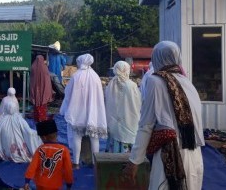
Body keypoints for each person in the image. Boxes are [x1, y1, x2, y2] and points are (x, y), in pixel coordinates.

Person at [122, 41, 204, 190]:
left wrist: (134, 161)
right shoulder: (188, 83)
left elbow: (146, 125)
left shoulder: (155, 81)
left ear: (156, 58)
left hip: (171, 155)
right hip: (195, 156)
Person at [59, 53, 107, 169]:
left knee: (77, 137)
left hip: (78, 111)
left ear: (81, 62)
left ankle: (75, 163)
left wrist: (64, 109)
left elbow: (68, 93)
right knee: (94, 137)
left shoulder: (76, 76)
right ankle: (96, 163)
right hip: (93, 111)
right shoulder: (95, 76)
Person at [24, 119, 73, 190]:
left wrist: (27, 181)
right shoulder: (64, 150)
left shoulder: (40, 149)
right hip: (55, 185)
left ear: (44, 137)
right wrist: (69, 183)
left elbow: (32, 166)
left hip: (40, 183)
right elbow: (68, 169)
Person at [105, 61, 142, 153]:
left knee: (115, 140)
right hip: (128, 121)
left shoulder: (110, 84)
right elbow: (138, 104)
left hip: (113, 123)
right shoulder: (131, 85)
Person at [0, 98, 42, 163]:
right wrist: (38, 134)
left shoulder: (1, 121)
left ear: (5, 108)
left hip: (7, 153)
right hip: (22, 152)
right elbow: (29, 133)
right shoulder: (20, 119)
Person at [30, 55, 54, 122]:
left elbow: (32, 80)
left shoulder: (33, 67)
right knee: (43, 106)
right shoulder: (44, 68)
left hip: (35, 90)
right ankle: (42, 119)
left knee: (36, 106)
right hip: (43, 90)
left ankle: (37, 119)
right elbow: (47, 82)